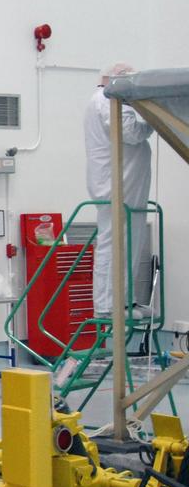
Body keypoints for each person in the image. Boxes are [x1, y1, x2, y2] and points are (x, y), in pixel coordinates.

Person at [83, 63, 154, 318]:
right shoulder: (107, 100)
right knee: (115, 244)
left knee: (128, 244)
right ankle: (108, 305)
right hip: (117, 185)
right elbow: (131, 133)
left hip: (125, 185)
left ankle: (124, 301)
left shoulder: (108, 101)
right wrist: (153, 120)